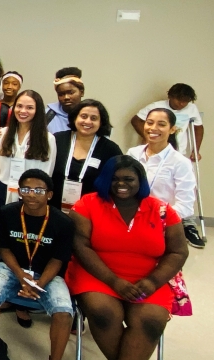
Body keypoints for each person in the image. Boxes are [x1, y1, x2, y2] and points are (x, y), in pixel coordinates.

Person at [67, 156, 188, 360]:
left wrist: (153, 281)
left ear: (140, 180)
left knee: (151, 321)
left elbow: (179, 251)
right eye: (114, 179)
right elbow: (80, 246)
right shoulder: (87, 204)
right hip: (97, 274)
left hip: (149, 278)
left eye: (129, 179)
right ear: (105, 180)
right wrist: (114, 281)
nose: (121, 184)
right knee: (103, 313)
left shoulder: (162, 210)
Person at [0, 169, 75, 360]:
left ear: (49, 194)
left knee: (64, 311)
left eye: (38, 190)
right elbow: (4, 249)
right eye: (26, 189)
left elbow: (57, 259)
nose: (31, 194)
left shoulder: (63, 223)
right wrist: (20, 275)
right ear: (19, 192)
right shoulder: (6, 213)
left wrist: (39, 284)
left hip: (47, 274)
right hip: (11, 267)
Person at [127, 108, 203, 249]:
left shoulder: (180, 162)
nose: (153, 128)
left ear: (173, 129)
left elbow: (185, 205)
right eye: (149, 123)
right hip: (130, 221)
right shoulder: (133, 154)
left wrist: (159, 220)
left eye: (161, 124)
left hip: (162, 226)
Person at [0, 90, 55, 220]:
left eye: (29, 108)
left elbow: (47, 172)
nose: (23, 111)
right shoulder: (3, 133)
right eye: (19, 106)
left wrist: (38, 194)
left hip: (30, 194)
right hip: (1, 191)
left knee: (23, 234)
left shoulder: (47, 139)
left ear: (38, 110)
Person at [51, 100, 123, 212]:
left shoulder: (110, 149)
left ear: (101, 122)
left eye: (94, 118)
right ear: (75, 117)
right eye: (83, 116)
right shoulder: (57, 140)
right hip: (54, 210)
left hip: (91, 212)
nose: (87, 121)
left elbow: (115, 183)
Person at [131, 83, 204, 160]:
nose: (182, 104)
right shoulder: (156, 106)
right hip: (155, 149)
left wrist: (196, 151)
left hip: (179, 151)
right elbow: (136, 120)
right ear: (170, 96)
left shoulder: (191, 108)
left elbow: (198, 128)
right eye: (179, 100)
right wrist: (146, 137)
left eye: (186, 101)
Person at [45, 67, 84, 134]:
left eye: (71, 93)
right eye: (61, 94)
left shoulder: (90, 115)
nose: (66, 97)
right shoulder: (47, 115)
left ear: (82, 92)